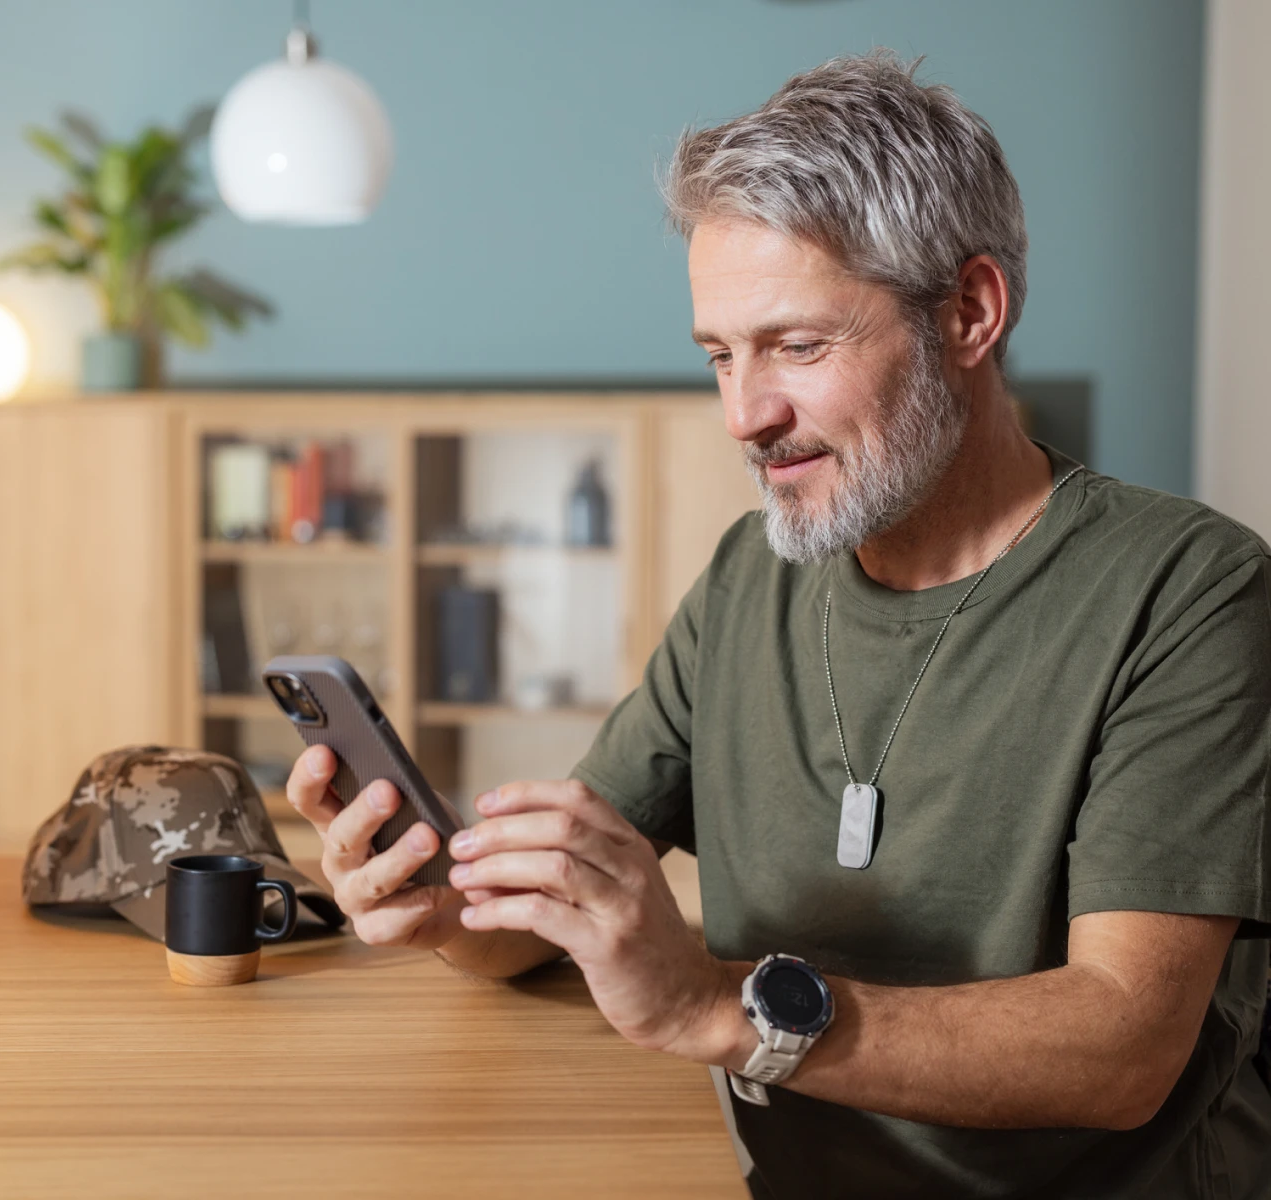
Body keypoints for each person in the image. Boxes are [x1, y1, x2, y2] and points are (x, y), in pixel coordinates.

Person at [286, 50, 1271, 1200]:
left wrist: (714, 1005)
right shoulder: (750, 577)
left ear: (968, 312)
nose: (743, 414)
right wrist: (441, 898)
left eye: (797, 346)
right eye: (718, 355)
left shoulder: (1189, 590)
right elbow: (565, 911)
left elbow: (1121, 1051)